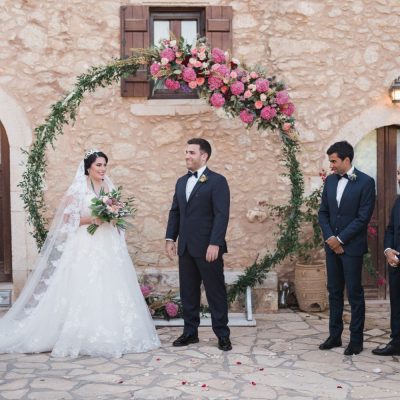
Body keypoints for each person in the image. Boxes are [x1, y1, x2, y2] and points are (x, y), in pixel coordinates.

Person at [0, 150, 160, 358]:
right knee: (85, 283)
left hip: (108, 243)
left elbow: (117, 213)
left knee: (110, 283)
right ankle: (80, 331)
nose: (102, 169)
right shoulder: (78, 189)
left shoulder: (109, 187)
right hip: (86, 242)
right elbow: (68, 218)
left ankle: (111, 331)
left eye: (104, 165)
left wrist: (114, 217)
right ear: (88, 167)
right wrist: (95, 219)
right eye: (98, 165)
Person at [165, 138, 232, 351]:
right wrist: (170, 238)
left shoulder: (217, 181)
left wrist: (215, 243)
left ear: (204, 156)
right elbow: (175, 211)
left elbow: (221, 215)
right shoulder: (180, 182)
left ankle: (222, 334)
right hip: (185, 246)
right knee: (188, 292)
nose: (187, 156)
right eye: (186, 152)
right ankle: (190, 332)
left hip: (208, 248)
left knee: (215, 292)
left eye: (191, 152)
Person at [318, 141, 375, 355]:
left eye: (334, 161)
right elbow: (323, 213)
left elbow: (363, 218)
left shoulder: (366, 182)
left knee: (354, 293)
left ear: (346, 160)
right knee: (334, 292)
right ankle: (334, 336)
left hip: (352, 248)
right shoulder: (331, 182)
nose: (331, 165)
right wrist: (330, 238)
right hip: (332, 247)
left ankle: (357, 340)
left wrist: (340, 240)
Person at [372, 165, 400, 356]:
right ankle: (396, 342)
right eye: (398, 172)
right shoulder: (398, 201)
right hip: (396, 262)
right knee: (397, 304)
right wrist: (389, 250)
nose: (398, 177)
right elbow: (390, 229)